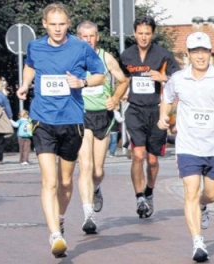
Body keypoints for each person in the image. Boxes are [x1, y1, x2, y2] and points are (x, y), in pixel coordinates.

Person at [16, 3, 105, 258]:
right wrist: (24, 85)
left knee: (66, 181)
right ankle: (55, 235)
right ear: (44, 24)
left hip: (72, 120)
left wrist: (83, 81)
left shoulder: (80, 48)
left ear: (68, 24)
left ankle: (61, 217)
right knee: (50, 180)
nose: (57, 28)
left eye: (62, 24)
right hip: (42, 119)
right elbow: (31, 66)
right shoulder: (36, 46)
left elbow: (100, 75)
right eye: (52, 24)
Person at [157, 31, 214, 262]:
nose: (200, 56)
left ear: (210, 53)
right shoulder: (178, 79)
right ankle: (198, 243)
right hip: (187, 145)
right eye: (195, 52)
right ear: (188, 54)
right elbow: (167, 98)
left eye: (204, 51)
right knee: (190, 191)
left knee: (212, 194)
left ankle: (203, 206)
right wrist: (164, 116)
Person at [119, 15, 180, 218]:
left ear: (152, 34)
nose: (143, 37)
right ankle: (139, 197)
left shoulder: (163, 55)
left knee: (152, 161)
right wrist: (118, 94)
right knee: (138, 155)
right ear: (134, 33)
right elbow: (121, 78)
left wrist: (164, 78)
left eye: (147, 33)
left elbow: (179, 79)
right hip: (135, 110)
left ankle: (150, 192)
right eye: (140, 33)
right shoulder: (126, 55)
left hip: (156, 111)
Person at [76, 20, 129, 234]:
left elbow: (124, 81)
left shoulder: (106, 58)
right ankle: (88, 214)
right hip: (80, 116)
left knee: (97, 170)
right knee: (85, 166)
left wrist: (115, 98)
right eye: (84, 37)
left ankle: (96, 188)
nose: (88, 40)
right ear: (78, 38)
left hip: (103, 116)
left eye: (92, 36)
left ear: (97, 37)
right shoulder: (73, 58)